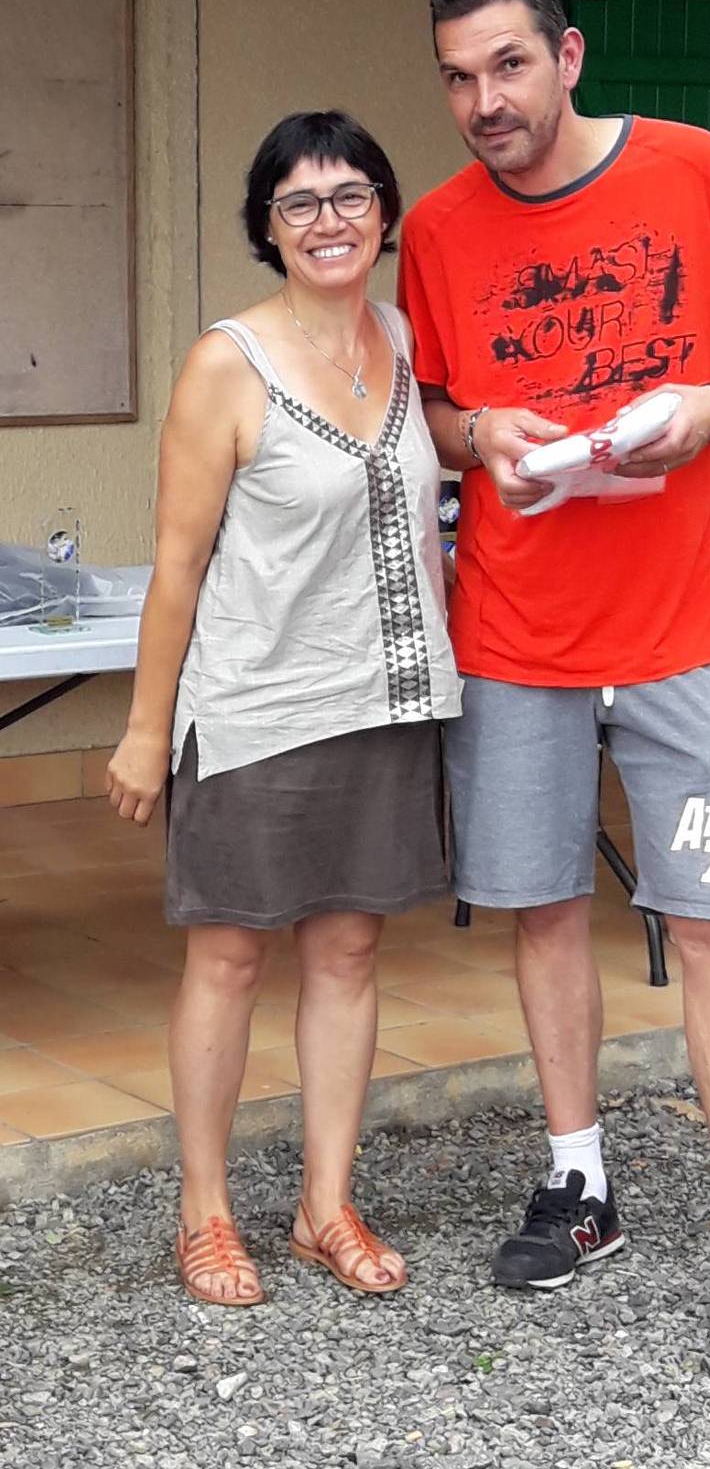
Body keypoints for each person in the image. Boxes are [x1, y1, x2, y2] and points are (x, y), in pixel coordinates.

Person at [398, 0, 710, 1373]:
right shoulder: (437, 229)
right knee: (539, 909)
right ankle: (577, 1181)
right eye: (458, 77)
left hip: (686, 636)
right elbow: (434, 410)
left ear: (569, 57)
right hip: (516, 635)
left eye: (509, 64)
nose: (485, 100)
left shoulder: (693, 167)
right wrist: (481, 435)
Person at [107, 110, 462, 1307]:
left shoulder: (402, 340)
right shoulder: (228, 362)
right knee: (227, 955)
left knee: (349, 949)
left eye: (350, 195)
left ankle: (324, 1205)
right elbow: (176, 564)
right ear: (268, 225)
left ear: (384, 211)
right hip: (255, 705)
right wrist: (146, 728)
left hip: (383, 696)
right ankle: (204, 1213)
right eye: (299, 202)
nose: (328, 220)